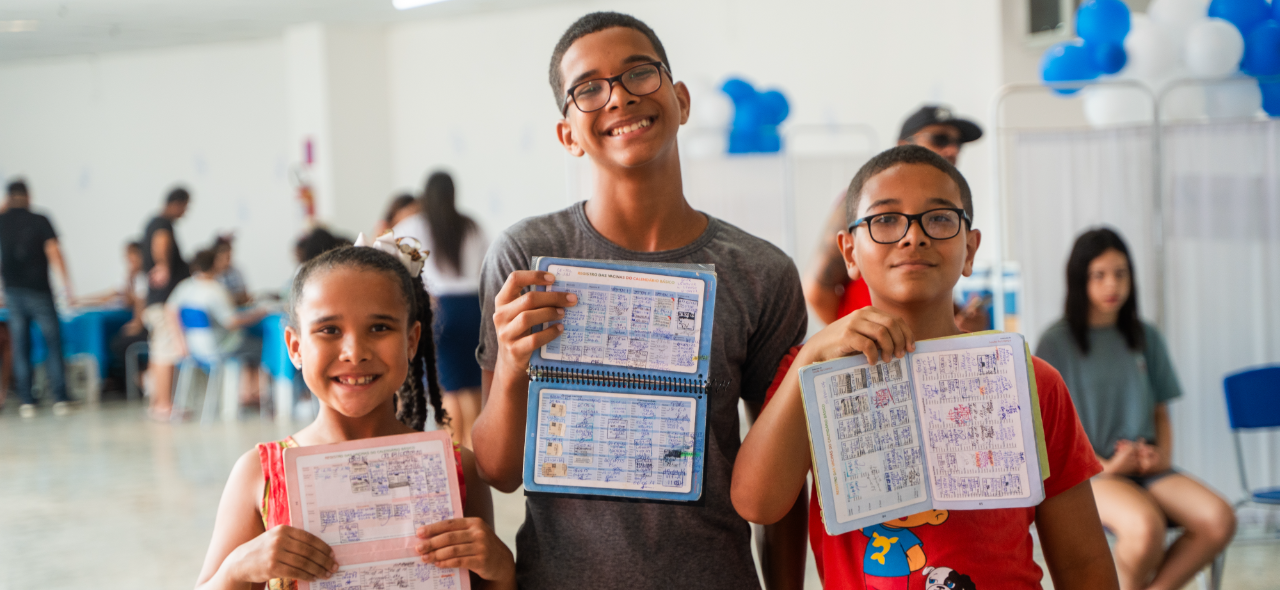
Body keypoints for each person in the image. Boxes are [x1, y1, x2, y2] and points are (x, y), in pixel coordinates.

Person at [471, 12, 809, 589]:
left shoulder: (760, 271)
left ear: (679, 99)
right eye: (589, 89)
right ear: (568, 135)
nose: (620, 99)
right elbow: (497, 471)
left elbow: (783, 472)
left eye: (638, 75)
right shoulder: (527, 255)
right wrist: (509, 366)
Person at [731, 145, 1119, 589]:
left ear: (970, 249)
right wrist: (811, 353)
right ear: (849, 252)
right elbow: (756, 504)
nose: (913, 237)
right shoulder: (814, 375)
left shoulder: (1030, 382)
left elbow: (1084, 563)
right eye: (886, 220)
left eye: (938, 218)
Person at [194, 243, 515, 590]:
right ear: (295, 348)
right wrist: (236, 570)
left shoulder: (457, 469)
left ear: (411, 341)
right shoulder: (259, 474)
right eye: (329, 330)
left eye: (379, 328)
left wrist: (501, 568)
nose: (355, 352)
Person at [1035, 228, 1235, 590]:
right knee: (1146, 527)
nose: (1112, 284)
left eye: (1121, 273)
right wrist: (1108, 465)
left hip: (1146, 466)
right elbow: (1047, 425)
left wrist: (1163, 456)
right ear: (1080, 280)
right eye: (1099, 275)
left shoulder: (1145, 336)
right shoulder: (1055, 341)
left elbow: (1160, 408)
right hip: (1091, 473)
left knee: (1219, 518)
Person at [804, 105, 986, 330]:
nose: (952, 150)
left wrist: (959, 319)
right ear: (903, 144)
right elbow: (816, 290)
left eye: (939, 219)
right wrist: (852, 340)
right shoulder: (862, 202)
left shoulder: (957, 205)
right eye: (939, 139)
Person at [391, 172, 488, 448]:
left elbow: (391, 262)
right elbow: (486, 268)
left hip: (440, 308)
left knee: (449, 387)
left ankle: (456, 451)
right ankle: (473, 448)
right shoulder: (472, 225)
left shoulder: (414, 226)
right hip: (474, 307)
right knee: (471, 384)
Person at [0, 179, 77, 418]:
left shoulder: (2, 221)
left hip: (13, 292)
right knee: (53, 344)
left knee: (21, 345)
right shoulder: (40, 219)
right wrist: (67, 285)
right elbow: (54, 251)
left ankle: (27, 400)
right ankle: (60, 398)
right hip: (40, 291)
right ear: (29, 195)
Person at [167, 249, 269, 407]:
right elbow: (231, 321)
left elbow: (170, 310)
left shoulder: (185, 286)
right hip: (218, 347)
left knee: (247, 347)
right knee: (262, 346)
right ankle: (255, 393)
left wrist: (179, 341)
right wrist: (259, 313)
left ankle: (247, 392)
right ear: (215, 264)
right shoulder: (215, 289)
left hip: (192, 347)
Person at [141, 187, 191, 420]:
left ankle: (156, 403)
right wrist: (162, 265)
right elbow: (160, 244)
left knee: (157, 351)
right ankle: (164, 404)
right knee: (166, 351)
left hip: (155, 302)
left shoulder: (154, 222)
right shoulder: (162, 224)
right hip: (163, 303)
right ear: (178, 203)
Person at [104, 242, 150, 393]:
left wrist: (137, 323)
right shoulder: (133, 278)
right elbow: (116, 294)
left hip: (149, 327)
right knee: (116, 341)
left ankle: (139, 379)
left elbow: (139, 303)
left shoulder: (145, 277)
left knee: (120, 343)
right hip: (142, 324)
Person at [212, 234, 252, 306]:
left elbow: (245, 295)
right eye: (227, 257)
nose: (229, 260)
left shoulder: (236, 271)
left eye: (230, 256)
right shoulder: (212, 274)